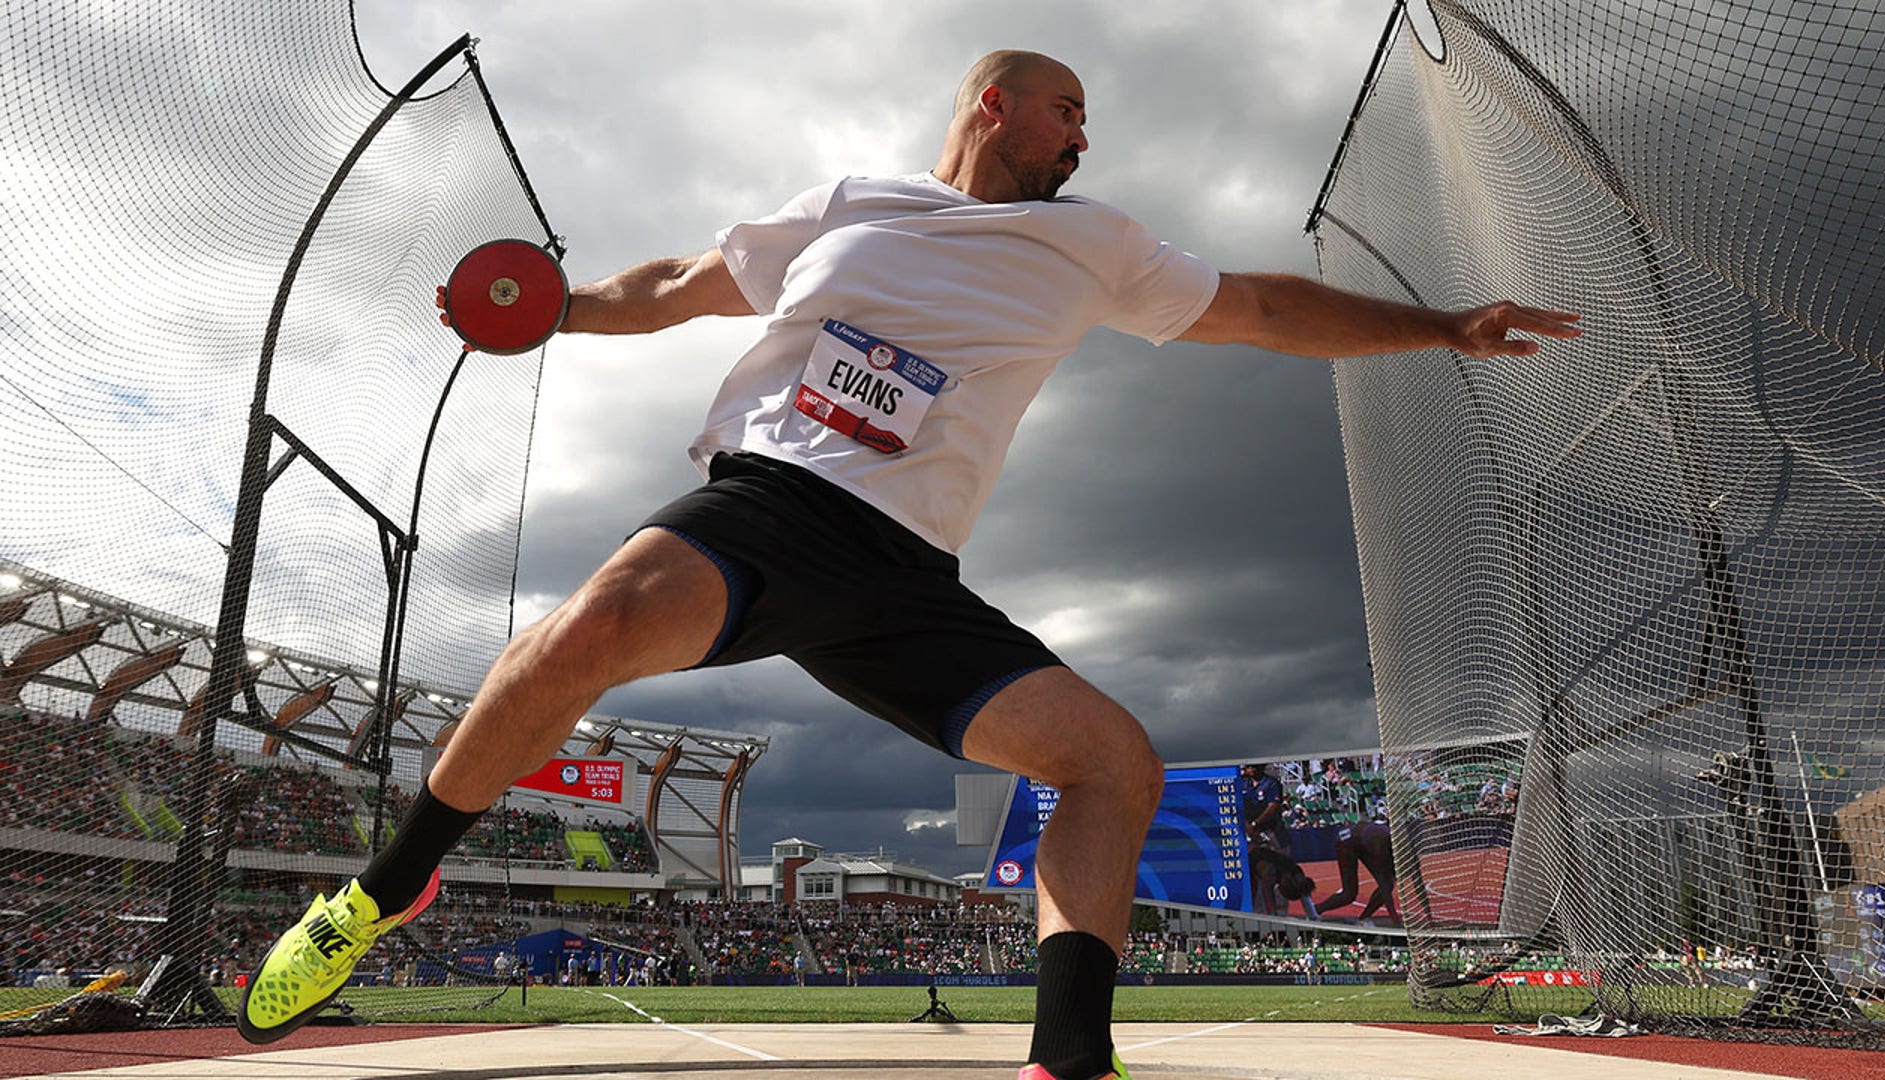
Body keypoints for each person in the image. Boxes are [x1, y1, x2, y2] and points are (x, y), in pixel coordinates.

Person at [237, 49, 1579, 1077]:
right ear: (995, 105)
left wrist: (1443, 326)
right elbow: (682, 285)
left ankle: (1070, 1057)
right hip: (770, 509)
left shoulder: (1096, 241)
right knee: (587, 632)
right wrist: (555, 310)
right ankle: (384, 889)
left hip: (904, 578)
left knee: (1115, 765)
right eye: (1068, 113)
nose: (1085, 137)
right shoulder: (849, 205)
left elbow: (1266, 305)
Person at [1320, 819, 1398, 922]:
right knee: (1349, 895)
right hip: (1347, 841)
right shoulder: (1379, 842)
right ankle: (1316, 910)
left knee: (1388, 883)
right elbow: (1383, 883)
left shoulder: (1386, 840)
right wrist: (1394, 918)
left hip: (1357, 838)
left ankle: (1364, 918)